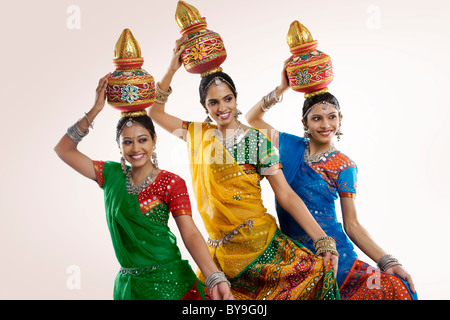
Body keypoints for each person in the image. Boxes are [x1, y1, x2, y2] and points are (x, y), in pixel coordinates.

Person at [148, 37, 340, 300]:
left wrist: (322, 239)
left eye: (227, 99)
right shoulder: (197, 134)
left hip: (261, 247)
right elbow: (155, 113)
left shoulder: (256, 141)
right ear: (205, 107)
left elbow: (285, 194)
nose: (222, 108)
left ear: (236, 98)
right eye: (213, 103)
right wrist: (171, 69)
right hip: (217, 255)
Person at [245, 58, 418, 300]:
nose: (326, 124)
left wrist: (387, 261)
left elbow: (352, 225)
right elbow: (252, 118)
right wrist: (281, 89)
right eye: (317, 118)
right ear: (304, 122)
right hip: (292, 254)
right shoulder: (289, 145)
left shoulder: (344, 165)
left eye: (332, 117)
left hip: (334, 254)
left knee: (394, 289)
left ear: (340, 119)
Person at [54, 73, 234, 300]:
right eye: (127, 142)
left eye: (142, 139)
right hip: (129, 288)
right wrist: (95, 111)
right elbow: (64, 150)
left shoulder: (171, 182)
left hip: (171, 285)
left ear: (154, 140)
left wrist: (214, 277)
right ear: (119, 146)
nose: (135, 148)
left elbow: (189, 233)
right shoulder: (110, 175)